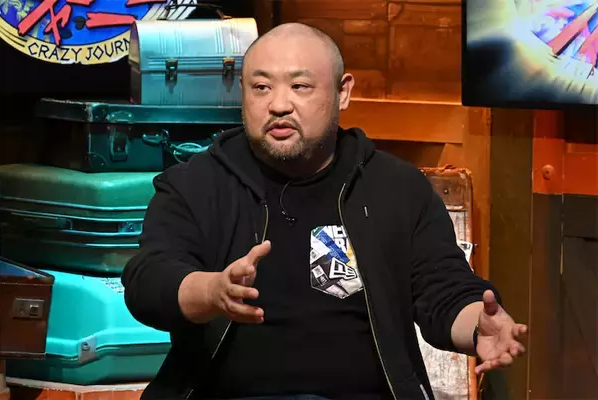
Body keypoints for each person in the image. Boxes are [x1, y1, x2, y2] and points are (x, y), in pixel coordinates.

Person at [122, 22, 527, 400]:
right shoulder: (195, 184)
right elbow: (149, 281)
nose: (279, 104)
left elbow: (443, 290)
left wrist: (478, 326)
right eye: (261, 88)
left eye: (300, 86)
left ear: (343, 92)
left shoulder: (396, 188)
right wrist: (212, 292)